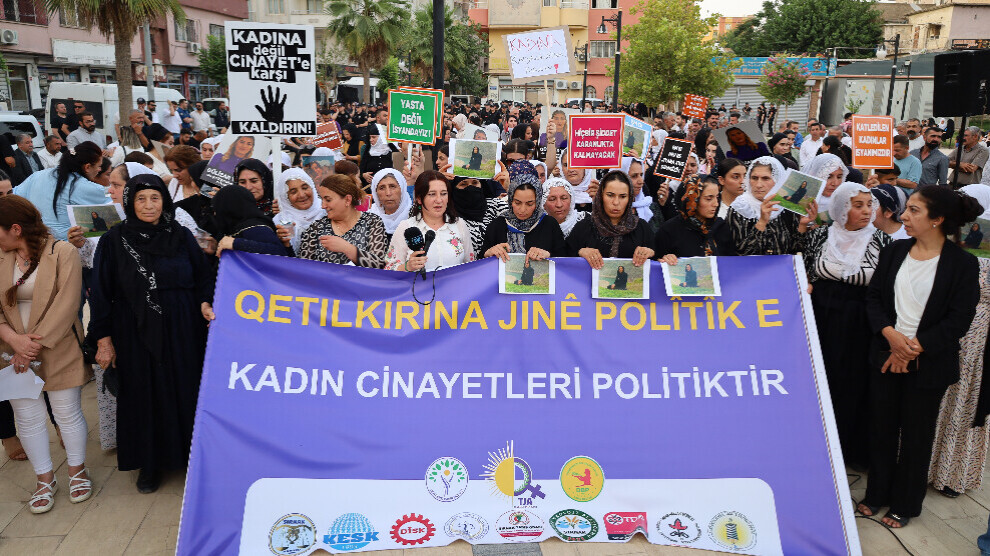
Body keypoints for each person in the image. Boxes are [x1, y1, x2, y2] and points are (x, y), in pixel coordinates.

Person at [859, 186, 983, 528]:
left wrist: (914, 348)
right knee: (881, 430)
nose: (904, 217)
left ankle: (905, 504)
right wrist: (891, 337)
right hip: (885, 354)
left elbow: (959, 319)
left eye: (914, 211)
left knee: (916, 436)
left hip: (928, 363)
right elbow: (873, 300)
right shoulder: (895, 251)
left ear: (938, 219)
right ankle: (875, 495)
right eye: (906, 209)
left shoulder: (963, 264)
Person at [89, 174, 214, 494]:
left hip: (184, 328)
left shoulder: (181, 236)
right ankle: (150, 463)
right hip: (135, 331)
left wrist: (203, 302)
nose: (148, 205)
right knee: (144, 393)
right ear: (130, 201)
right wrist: (104, 339)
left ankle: (190, 458)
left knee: (185, 389)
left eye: (155, 198)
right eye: (141, 199)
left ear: (164, 201)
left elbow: (202, 277)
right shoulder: (113, 240)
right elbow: (101, 292)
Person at [0, 194, 93, 514]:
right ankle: (44, 479)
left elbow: (68, 304)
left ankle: (77, 471)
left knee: (66, 412)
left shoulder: (62, 251)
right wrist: (14, 340)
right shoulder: (0, 256)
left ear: (15, 229)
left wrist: (31, 346)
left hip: (58, 346)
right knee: (27, 417)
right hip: (12, 351)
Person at [803, 183, 892, 468]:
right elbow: (803, 269)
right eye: (858, 205)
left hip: (860, 324)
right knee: (820, 381)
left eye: (869, 205)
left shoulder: (883, 242)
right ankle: (815, 446)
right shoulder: (818, 236)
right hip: (821, 320)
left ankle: (847, 450)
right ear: (842, 209)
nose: (867, 211)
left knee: (852, 384)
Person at [929, 183, 990, 499]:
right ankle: (930, 467)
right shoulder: (947, 239)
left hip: (974, 336)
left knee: (962, 397)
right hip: (948, 325)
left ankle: (951, 472)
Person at [13, 142, 108, 241]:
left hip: (32, 240)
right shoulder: (84, 186)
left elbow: (13, 196)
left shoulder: (37, 175)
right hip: (64, 245)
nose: (99, 170)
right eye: (99, 166)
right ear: (87, 167)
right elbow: (113, 205)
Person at [386, 171, 476, 272]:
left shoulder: (459, 224)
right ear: (419, 199)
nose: (439, 200)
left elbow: (471, 265)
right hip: (418, 287)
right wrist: (408, 266)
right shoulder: (406, 227)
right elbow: (389, 268)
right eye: (432, 194)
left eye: (443, 194)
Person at [727, 156, 817, 255]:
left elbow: (796, 248)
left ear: (778, 181)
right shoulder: (740, 208)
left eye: (766, 178)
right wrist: (762, 222)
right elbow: (740, 253)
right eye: (754, 178)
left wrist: (802, 224)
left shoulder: (784, 207)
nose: (758, 184)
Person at [567, 171, 655, 269]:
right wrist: (580, 252)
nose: (616, 202)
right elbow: (564, 262)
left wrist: (650, 252)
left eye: (622, 196)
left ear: (630, 198)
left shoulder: (641, 228)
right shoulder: (584, 227)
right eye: (610, 195)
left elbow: (659, 262)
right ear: (601, 195)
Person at [297, 174, 387, 267]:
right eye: (322, 199)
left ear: (347, 200)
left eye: (328, 200)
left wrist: (348, 249)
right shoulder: (316, 228)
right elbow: (303, 268)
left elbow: (379, 265)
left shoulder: (372, 222)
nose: (323, 206)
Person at [481, 167, 566, 261]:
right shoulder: (498, 225)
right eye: (517, 203)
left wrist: (548, 255)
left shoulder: (549, 224)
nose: (522, 210)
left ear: (537, 202)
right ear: (510, 200)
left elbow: (564, 260)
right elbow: (479, 263)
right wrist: (488, 253)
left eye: (530, 204)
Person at [655, 176, 735, 260]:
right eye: (708, 199)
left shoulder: (720, 227)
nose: (716, 204)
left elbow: (731, 262)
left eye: (717, 197)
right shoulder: (669, 231)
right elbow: (655, 263)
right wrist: (665, 259)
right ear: (692, 200)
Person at [212, 185, 287, 257]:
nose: (215, 214)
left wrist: (236, 243)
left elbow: (279, 253)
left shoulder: (255, 228)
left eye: (218, 209)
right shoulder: (235, 228)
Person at [272, 168, 326, 252]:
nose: (301, 195)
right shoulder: (284, 220)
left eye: (305, 188)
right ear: (285, 197)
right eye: (293, 192)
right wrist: (285, 243)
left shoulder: (326, 210)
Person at [803, 153, 849, 219]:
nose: (835, 183)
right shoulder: (800, 203)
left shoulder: (846, 202)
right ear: (815, 176)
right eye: (828, 177)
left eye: (839, 177)